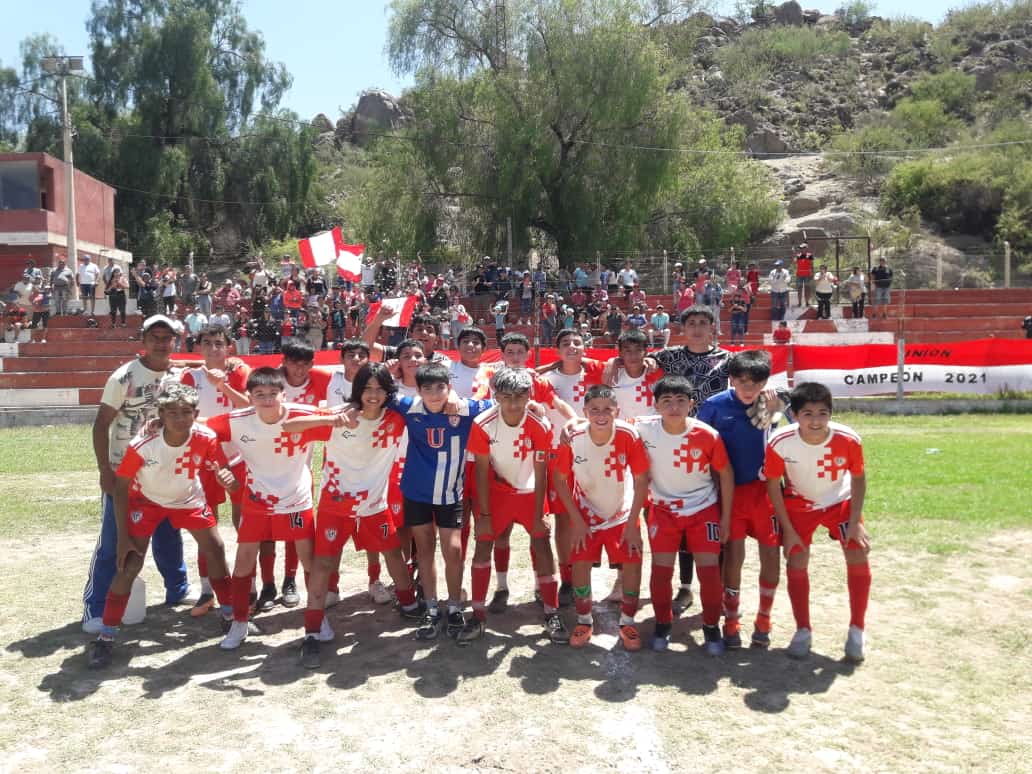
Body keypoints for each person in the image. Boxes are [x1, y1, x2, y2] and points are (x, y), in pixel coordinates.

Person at [85, 382, 236, 669]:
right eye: (172, 413)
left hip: (187, 499)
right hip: (146, 501)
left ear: (196, 413)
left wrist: (228, 479)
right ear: (161, 415)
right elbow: (120, 487)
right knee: (130, 563)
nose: (180, 418)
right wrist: (123, 537)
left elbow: (226, 472)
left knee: (215, 549)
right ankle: (105, 638)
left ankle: (230, 618)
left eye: (186, 412)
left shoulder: (206, 438)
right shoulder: (143, 444)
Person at [284, 363, 420, 667]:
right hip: (336, 507)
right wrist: (333, 419)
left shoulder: (397, 419)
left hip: (374, 506)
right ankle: (312, 631)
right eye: (367, 388)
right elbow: (288, 426)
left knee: (393, 555)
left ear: (388, 392)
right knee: (324, 565)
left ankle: (410, 605)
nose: (373, 395)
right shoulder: (341, 415)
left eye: (379, 389)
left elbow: (431, 404)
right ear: (358, 389)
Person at [82, 315, 191, 634]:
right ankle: (96, 607)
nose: (160, 342)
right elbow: (101, 424)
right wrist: (105, 470)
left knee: (169, 534)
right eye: (154, 336)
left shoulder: (178, 376)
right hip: (124, 472)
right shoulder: (124, 377)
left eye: (166, 337)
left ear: (175, 342)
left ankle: (178, 588)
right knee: (115, 540)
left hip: (163, 472)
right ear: (143, 341)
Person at [207, 367, 320, 650]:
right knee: (244, 560)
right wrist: (157, 424)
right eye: (260, 395)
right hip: (257, 501)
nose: (267, 400)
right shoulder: (238, 420)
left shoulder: (302, 416)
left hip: (296, 500)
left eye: (273, 394)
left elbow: (342, 419)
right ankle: (240, 623)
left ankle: (317, 622)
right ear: (250, 397)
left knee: (310, 560)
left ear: (284, 394)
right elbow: (199, 428)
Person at [764, 382, 870, 663]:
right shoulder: (780, 441)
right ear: (795, 415)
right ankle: (803, 630)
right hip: (800, 505)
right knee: (796, 559)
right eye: (808, 414)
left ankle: (857, 630)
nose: (816, 420)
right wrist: (788, 529)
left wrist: (856, 521)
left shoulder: (848, 439)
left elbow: (858, 479)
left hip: (840, 502)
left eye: (823, 413)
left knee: (857, 551)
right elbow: (773, 486)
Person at [462, 368, 569, 644]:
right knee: (484, 543)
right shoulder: (483, 424)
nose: (512, 403)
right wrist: (483, 514)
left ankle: (551, 611)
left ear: (529, 395)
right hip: (496, 493)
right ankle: (478, 614)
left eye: (520, 396)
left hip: (530, 492)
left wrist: (538, 513)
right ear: (495, 395)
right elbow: (482, 471)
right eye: (506, 396)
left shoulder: (540, 425)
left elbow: (541, 469)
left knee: (542, 542)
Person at [388, 362, 492, 640]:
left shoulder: (466, 409)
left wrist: (536, 407)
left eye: (441, 387)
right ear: (418, 390)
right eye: (427, 388)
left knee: (454, 551)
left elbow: (501, 403)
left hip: (450, 495)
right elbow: (376, 390)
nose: (434, 394)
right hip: (416, 493)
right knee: (424, 550)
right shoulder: (410, 406)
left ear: (450, 388)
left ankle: (455, 606)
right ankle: (432, 607)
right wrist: (390, 370)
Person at [697, 350, 787, 650]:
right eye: (742, 381)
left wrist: (776, 411)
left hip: (765, 493)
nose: (749, 388)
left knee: (770, 554)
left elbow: (784, 436)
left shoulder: (771, 403)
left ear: (765, 382)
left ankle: (764, 619)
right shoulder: (714, 406)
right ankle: (731, 619)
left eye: (756, 381)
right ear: (731, 379)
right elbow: (699, 444)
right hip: (729, 494)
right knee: (733, 555)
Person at [638, 375, 733, 654]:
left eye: (681, 401)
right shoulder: (643, 429)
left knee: (709, 572)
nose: (674, 407)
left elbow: (725, 474)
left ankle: (711, 627)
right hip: (663, 511)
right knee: (660, 570)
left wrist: (725, 518)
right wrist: (572, 423)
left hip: (702, 509)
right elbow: (607, 423)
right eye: (667, 401)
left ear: (691, 404)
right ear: (656, 406)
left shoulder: (707, 435)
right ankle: (663, 624)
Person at [552, 385, 649, 650]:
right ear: (585, 412)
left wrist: (632, 524)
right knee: (581, 564)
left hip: (621, 512)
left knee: (631, 563)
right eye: (594, 409)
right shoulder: (573, 437)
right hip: (586, 512)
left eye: (608, 409)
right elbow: (560, 480)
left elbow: (642, 481)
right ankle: (584, 620)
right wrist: (578, 521)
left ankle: (628, 621)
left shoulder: (629, 435)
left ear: (617, 410)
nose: (601, 414)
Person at [179, 325, 251, 616]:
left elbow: (249, 408)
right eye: (207, 343)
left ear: (229, 347)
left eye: (219, 343)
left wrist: (223, 385)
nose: (213, 348)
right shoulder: (189, 377)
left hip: (238, 456)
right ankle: (207, 589)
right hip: (203, 459)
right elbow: (181, 413)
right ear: (199, 348)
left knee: (244, 525)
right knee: (206, 527)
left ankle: (248, 585)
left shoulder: (239, 373)